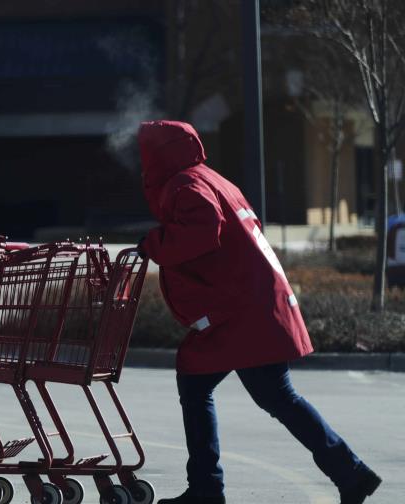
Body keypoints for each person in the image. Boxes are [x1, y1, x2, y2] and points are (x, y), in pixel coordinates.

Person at [136, 120, 382, 504]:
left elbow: (202, 232)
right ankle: (349, 473)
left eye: (145, 153)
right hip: (253, 304)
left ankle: (207, 488)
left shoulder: (184, 185)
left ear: (157, 154)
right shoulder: (212, 179)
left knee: (213, 385)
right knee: (270, 395)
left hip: (240, 311)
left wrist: (154, 243)